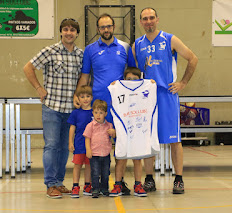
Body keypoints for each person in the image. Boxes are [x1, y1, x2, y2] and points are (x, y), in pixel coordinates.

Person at [133, 7, 198, 194]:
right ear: (141, 22)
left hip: (167, 95)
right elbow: (134, 71)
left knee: (174, 139)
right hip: (147, 98)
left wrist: (183, 82)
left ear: (157, 19)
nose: (148, 21)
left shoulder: (170, 39)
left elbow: (193, 58)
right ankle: (149, 178)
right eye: (145, 19)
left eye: (151, 18)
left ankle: (178, 179)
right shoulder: (137, 44)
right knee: (147, 138)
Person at [75, 13, 136, 195]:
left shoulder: (125, 47)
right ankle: (94, 183)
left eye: (109, 26)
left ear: (114, 26)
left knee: (121, 144)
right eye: (102, 27)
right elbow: (85, 76)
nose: (106, 30)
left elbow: (132, 74)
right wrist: (77, 96)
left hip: (120, 106)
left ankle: (119, 181)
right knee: (95, 145)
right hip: (98, 106)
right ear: (98, 29)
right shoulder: (90, 49)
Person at [23, 18, 83, 198]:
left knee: (65, 147)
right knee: (51, 145)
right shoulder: (50, 51)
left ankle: (59, 182)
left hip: (71, 110)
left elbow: (83, 77)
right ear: (61, 32)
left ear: (77, 34)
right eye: (65, 29)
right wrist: (39, 88)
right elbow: (28, 68)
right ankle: (50, 184)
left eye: (72, 30)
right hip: (52, 108)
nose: (69, 32)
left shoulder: (81, 54)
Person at [109, 67, 157, 197]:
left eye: (135, 79)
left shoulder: (147, 87)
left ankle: (138, 184)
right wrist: (115, 86)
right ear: (124, 79)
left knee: (137, 159)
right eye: (128, 79)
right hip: (124, 129)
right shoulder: (117, 87)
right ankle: (118, 184)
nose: (131, 81)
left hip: (139, 130)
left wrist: (151, 84)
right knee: (121, 159)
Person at [83, 100, 116, 198]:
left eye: (101, 113)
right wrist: (88, 150)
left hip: (106, 154)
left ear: (105, 114)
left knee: (106, 173)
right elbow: (87, 138)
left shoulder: (109, 125)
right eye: (96, 112)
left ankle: (104, 188)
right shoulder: (90, 126)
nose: (98, 115)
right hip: (94, 154)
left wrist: (113, 132)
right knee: (95, 172)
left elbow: (113, 136)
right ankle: (95, 189)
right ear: (93, 112)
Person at [67, 85, 93, 198]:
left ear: (92, 97)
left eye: (88, 96)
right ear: (78, 98)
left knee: (89, 166)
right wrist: (70, 142)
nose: (85, 99)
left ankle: (87, 186)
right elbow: (72, 128)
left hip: (91, 146)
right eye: (82, 97)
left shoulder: (94, 112)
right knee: (77, 165)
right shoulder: (75, 113)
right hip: (79, 144)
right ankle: (75, 186)